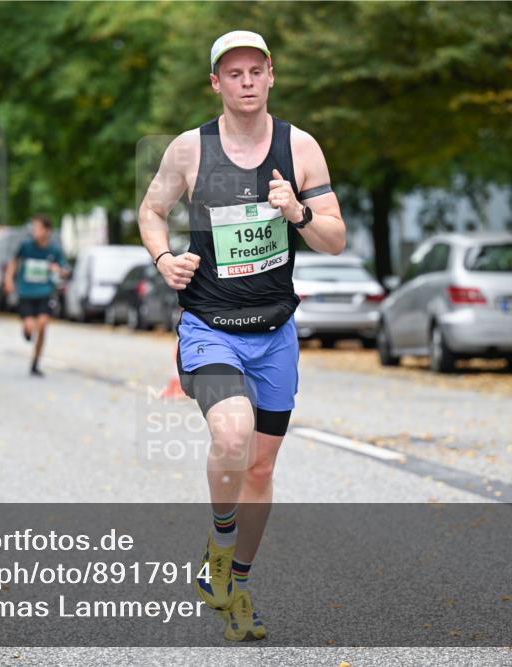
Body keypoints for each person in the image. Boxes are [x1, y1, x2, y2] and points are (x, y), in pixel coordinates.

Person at [137, 30, 346, 641]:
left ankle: (234, 582)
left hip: (275, 333)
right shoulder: (189, 149)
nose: (247, 81)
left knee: (260, 469)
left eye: (257, 70)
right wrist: (162, 258)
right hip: (210, 327)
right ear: (217, 83)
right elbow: (152, 211)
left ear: (271, 76)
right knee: (232, 437)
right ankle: (221, 548)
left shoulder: (300, 148)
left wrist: (298, 212)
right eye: (234, 73)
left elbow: (335, 236)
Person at [3, 214, 68, 377]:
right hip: (26, 292)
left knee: (43, 325)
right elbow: (13, 262)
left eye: (37, 228)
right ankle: (27, 330)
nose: (34, 231)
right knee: (30, 326)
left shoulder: (55, 249)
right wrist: (9, 280)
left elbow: (65, 269)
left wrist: (58, 270)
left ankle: (35, 362)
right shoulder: (26, 246)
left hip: (45, 292)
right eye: (33, 227)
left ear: (47, 231)